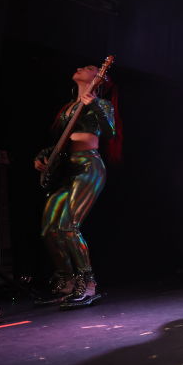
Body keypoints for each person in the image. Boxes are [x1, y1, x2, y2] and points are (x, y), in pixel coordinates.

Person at [34, 64, 118, 309]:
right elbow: (62, 141)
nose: (81, 68)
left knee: (69, 226)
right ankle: (67, 280)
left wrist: (93, 105)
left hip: (88, 166)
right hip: (66, 170)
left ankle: (88, 283)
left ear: (100, 76)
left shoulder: (101, 104)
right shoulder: (68, 107)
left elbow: (110, 132)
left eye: (89, 67)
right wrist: (43, 155)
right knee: (49, 229)